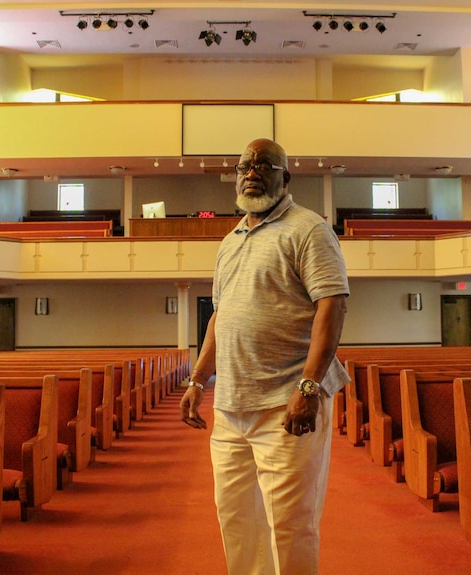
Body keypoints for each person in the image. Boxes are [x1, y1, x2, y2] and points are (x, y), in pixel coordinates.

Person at [179, 138, 350, 575]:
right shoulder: (230, 241)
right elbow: (220, 316)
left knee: (289, 525)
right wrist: (198, 379)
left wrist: (308, 387)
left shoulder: (308, 229)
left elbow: (332, 305)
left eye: (264, 165)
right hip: (232, 405)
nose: (251, 172)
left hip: (286, 401)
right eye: (244, 166)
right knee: (236, 519)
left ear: (285, 177)